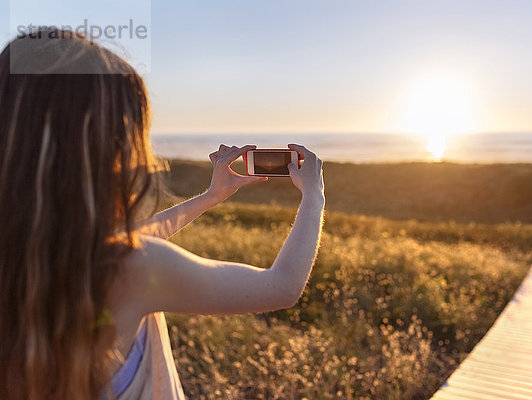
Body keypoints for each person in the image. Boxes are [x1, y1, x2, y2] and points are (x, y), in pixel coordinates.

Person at [0, 28, 325, 400]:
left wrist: (209, 197)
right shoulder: (130, 270)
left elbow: (130, 237)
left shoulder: (30, 252)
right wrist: (314, 194)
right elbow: (281, 286)